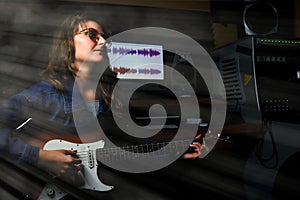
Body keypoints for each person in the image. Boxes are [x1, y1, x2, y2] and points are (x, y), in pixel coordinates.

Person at [0, 13, 201, 188]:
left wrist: (177, 151)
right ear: (67, 43)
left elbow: (133, 152)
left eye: (105, 38)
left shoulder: (114, 101)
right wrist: (40, 157)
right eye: (91, 34)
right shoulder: (44, 94)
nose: (103, 42)